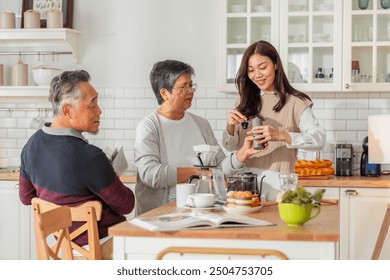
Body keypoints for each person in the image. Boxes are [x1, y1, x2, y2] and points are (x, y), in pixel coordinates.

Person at [19, 70, 135, 260]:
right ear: (67, 110)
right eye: (92, 105)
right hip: (104, 248)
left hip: (61, 251)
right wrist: (112, 176)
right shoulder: (90, 157)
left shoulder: (30, 146)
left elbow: (26, 198)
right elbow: (127, 204)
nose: (99, 111)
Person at [134, 59, 261, 215]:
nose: (190, 91)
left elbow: (219, 168)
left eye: (191, 85)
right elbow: (150, 174)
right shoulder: (149, 126)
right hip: (161, 217)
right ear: (164, 93)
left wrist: (242, 153)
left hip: (201, 213)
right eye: (183, 87)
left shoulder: (201, 124)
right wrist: (197, 173)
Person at [222, 40, 326, 175]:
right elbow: (230, 147)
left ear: (275, 64)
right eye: (251, 70)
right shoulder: (243, 102)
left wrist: (279, 135)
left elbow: (319, 139)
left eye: (263, 67)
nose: (257, 75)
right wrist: (230, 126)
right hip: (243, 185)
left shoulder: (297, 102)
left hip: (278, 187)